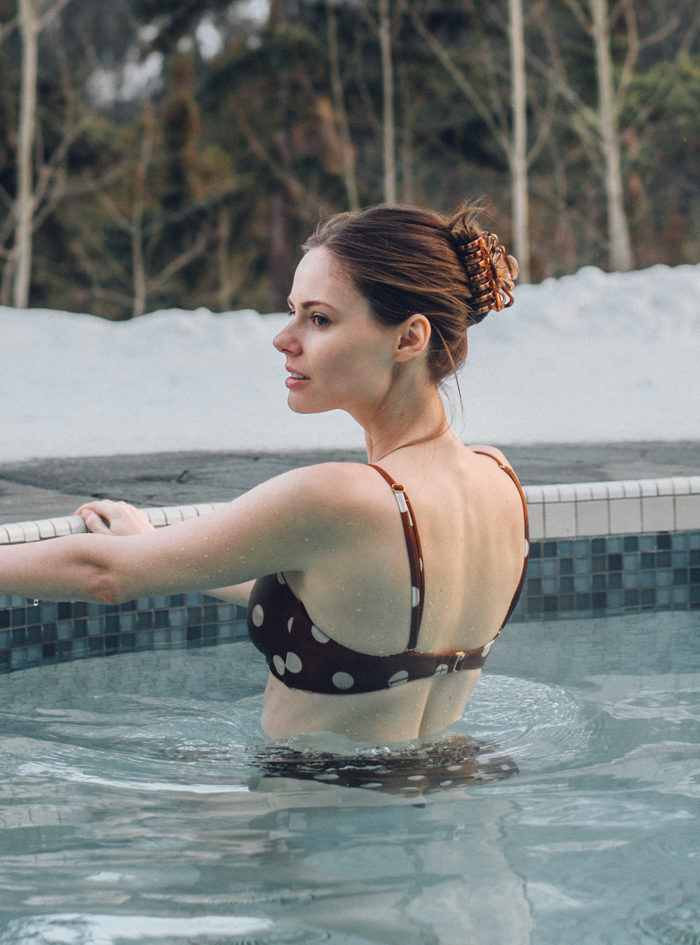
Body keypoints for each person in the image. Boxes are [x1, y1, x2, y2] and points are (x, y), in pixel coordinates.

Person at [0, 203, 528, 748]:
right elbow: (346, 596)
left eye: (319, 319)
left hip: (308, 795)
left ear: (408, 339)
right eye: (293, 311)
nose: (284, 338)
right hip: (441, 780)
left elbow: (103, 575)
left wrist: (133, 558)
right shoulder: (498, 479)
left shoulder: (338, 498)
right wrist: (154, 546)